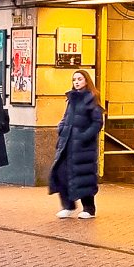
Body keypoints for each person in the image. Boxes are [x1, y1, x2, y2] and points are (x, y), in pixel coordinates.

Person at [49, 69, 103, 219]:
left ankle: (89, 209)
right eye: (74, 79)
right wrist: (61, 128)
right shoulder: (71, 99)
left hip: (83, 147)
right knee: (61, 173)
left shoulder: (91, 99)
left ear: (86, 80)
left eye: (79, 79)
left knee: (83, 176)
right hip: (66, 144)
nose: (77, 82)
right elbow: (66, 117)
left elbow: (97, 122)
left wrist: (84, 137)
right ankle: (68, 206)